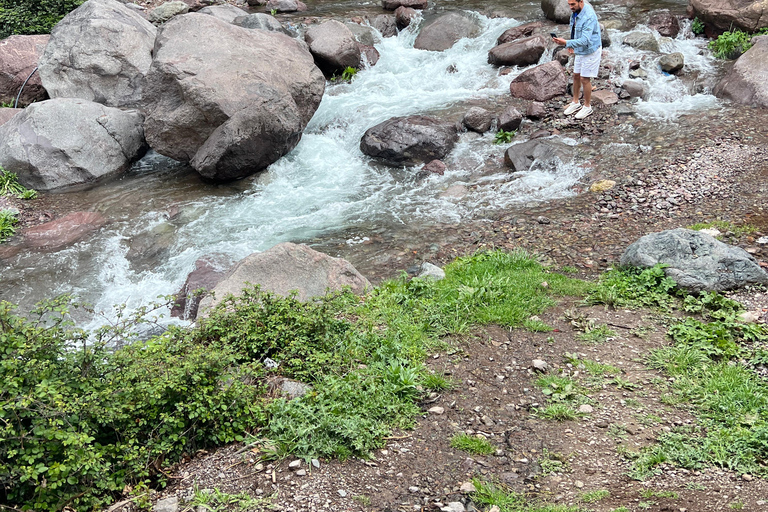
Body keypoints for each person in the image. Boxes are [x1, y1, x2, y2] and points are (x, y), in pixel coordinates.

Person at [553, 0, 602, 120]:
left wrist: (566, 42)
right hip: (580, 48)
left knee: (584, 78)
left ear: (581, 2)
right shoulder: (576, 11)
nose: (570, 7)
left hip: (591, 49)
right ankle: (575, 102)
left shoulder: (589, 16)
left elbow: (585, 40)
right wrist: (571, 44)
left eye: (573, 4)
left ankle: (587, 107)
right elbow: (574, 28)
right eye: (569, 4)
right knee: (576, 75)